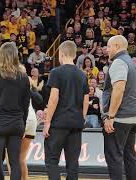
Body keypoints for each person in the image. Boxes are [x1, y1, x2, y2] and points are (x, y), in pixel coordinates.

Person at [0, 42, 31, 180]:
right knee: (15, 162)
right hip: (16, 124)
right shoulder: (24, 78)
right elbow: (25, 105)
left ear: (0, 56)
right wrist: (22, 124)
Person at [43, 40, 89, 180]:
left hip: (59, 122)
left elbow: (54, 98)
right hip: (76, 123)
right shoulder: (82, 74)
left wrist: (47, 122)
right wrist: (82, 117)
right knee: (73, 163)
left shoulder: (56, 72)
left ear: (61, 54)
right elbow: (86, 99)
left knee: (51, 160)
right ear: (75, 55)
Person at [102, 35, 136, 180]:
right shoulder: (132, 63)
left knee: (114, 156)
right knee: (129, 155)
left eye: (108, 46)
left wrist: (110, 116)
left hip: (120, 116)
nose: (107, 49)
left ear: (117, 46)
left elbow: (119, 89)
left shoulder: (119, 62)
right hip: (134, 115)